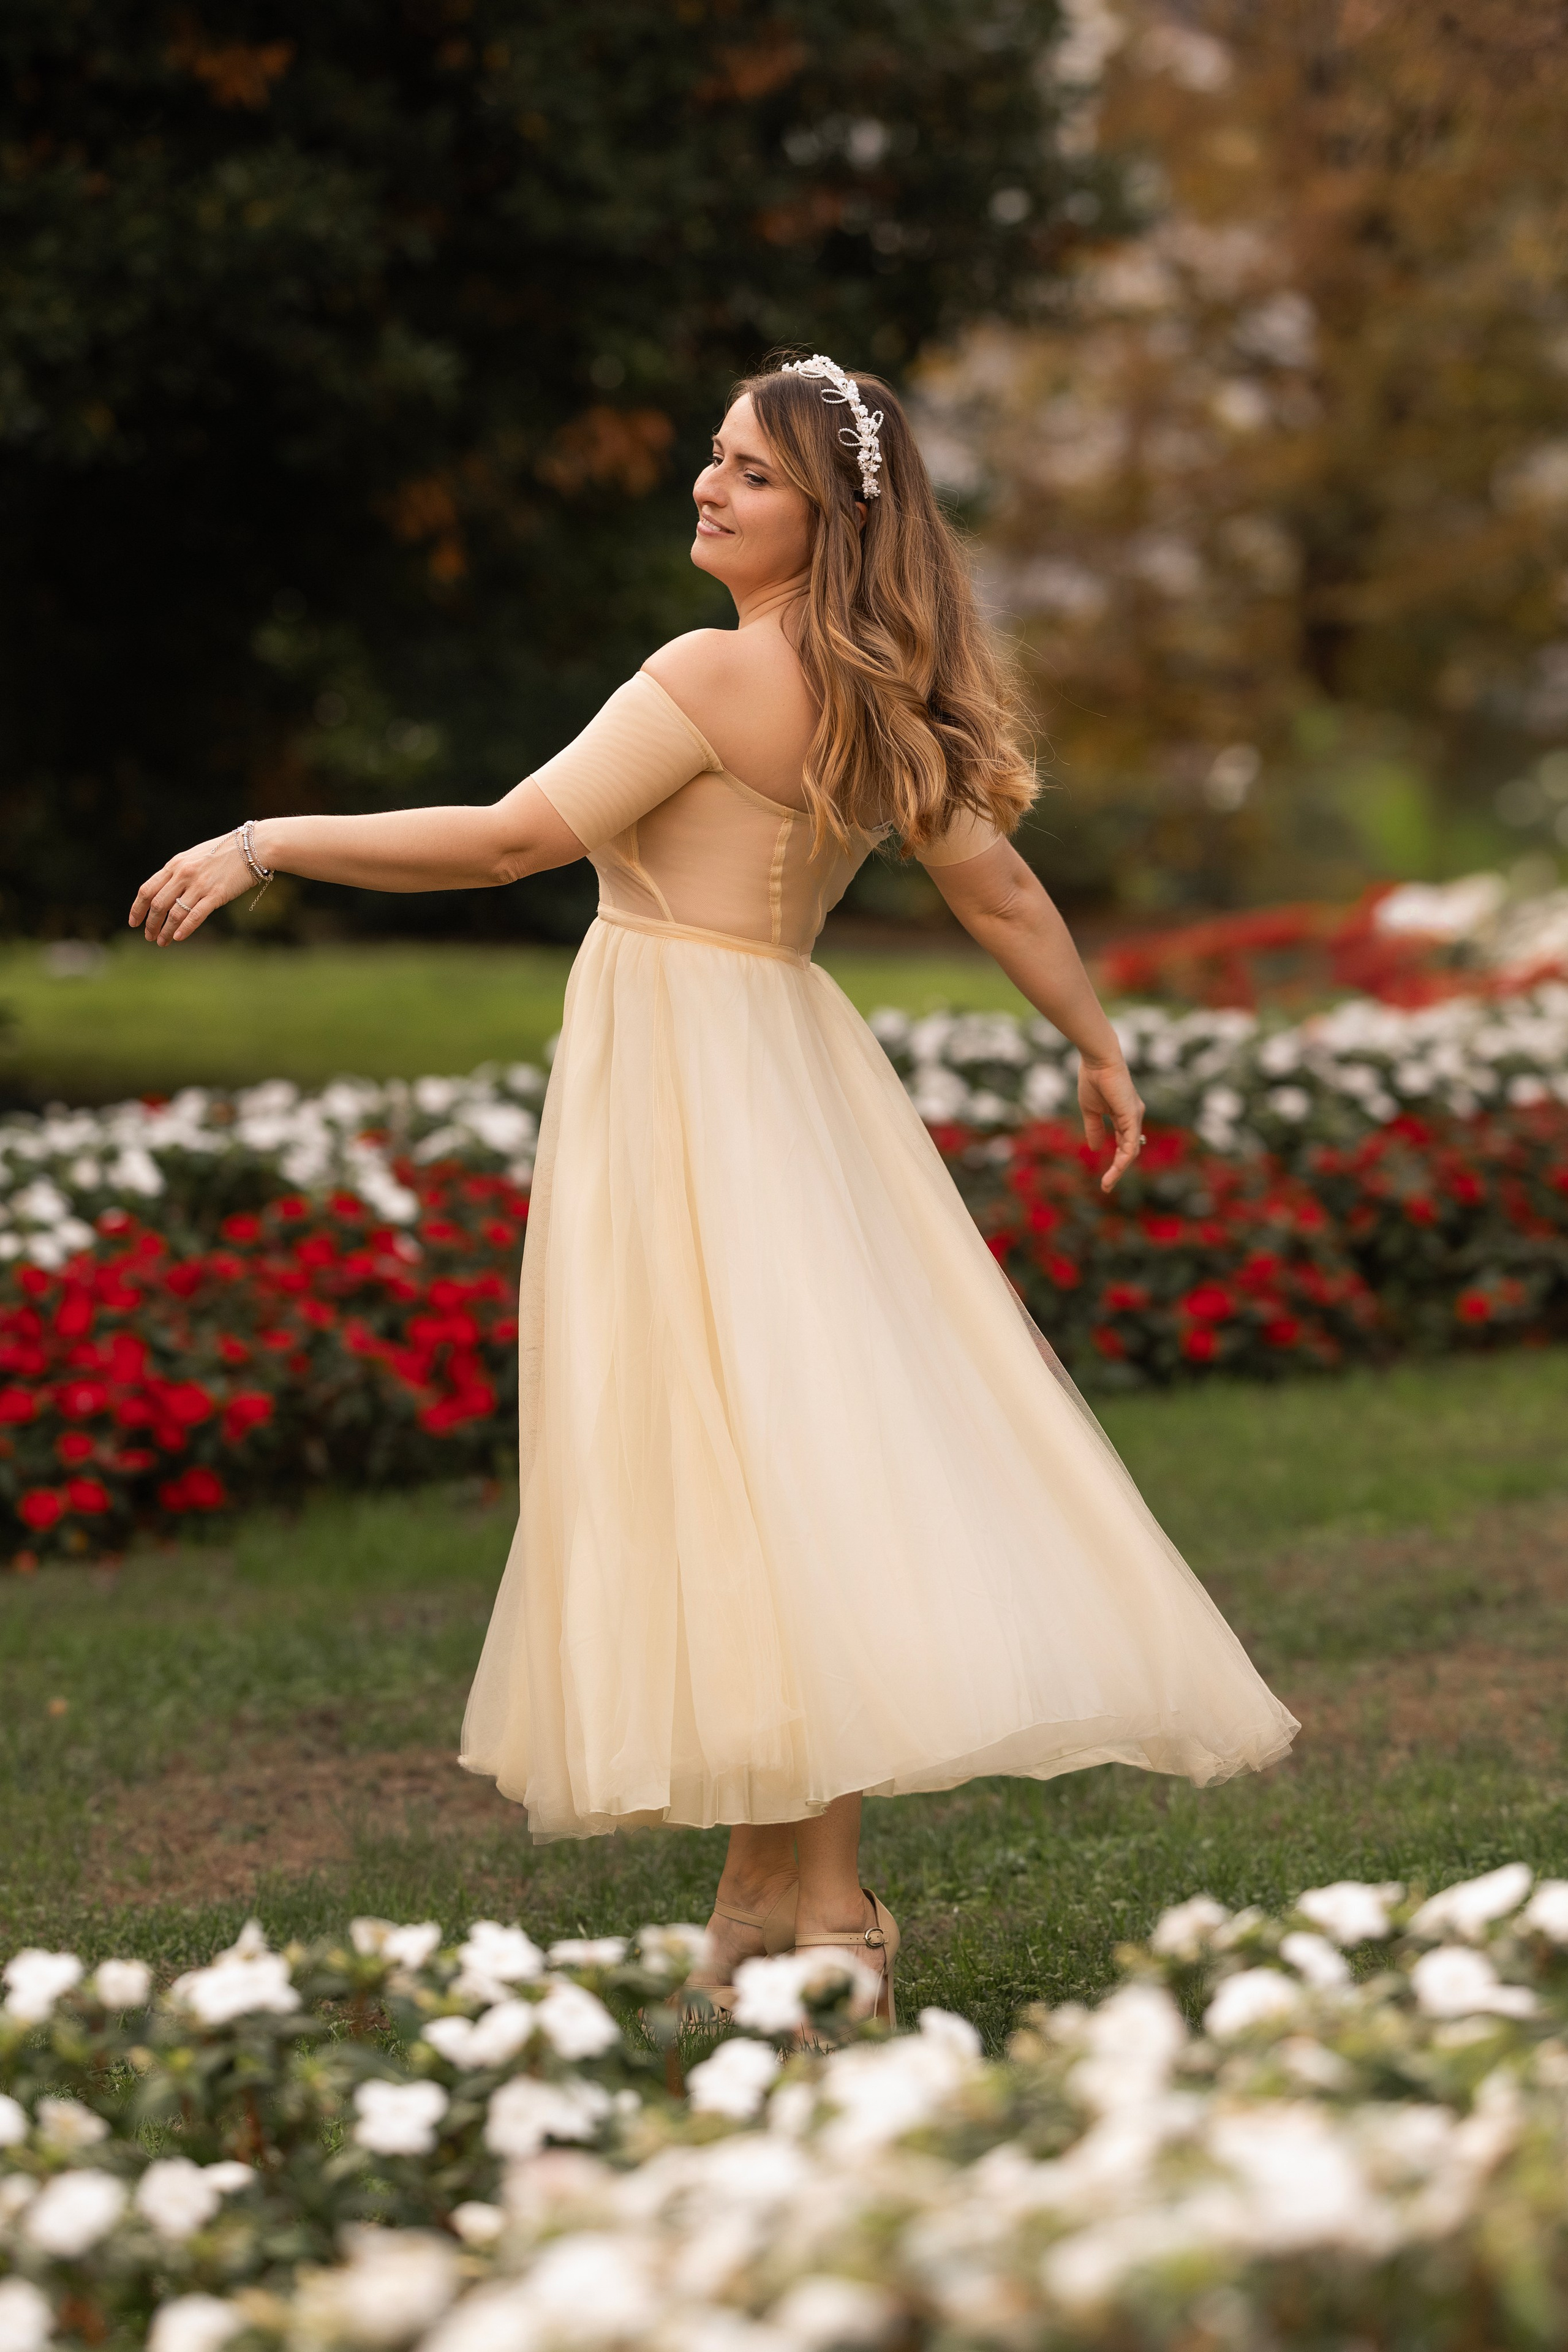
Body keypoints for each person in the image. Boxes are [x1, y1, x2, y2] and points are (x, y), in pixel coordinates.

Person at [130, 352, 1297, 2026]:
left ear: (826, 517)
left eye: (747, 473)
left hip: (690, 1083)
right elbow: (1006, 890)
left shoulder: (706, 675)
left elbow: (507, 842)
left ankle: (827, 1909)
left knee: (738, 1464)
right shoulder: (879, 693)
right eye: (713, 459)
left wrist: (268, 841)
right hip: (788, 1071)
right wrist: (1096, 1043)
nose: (707, 486)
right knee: (776, 1464)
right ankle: (768, 1895)